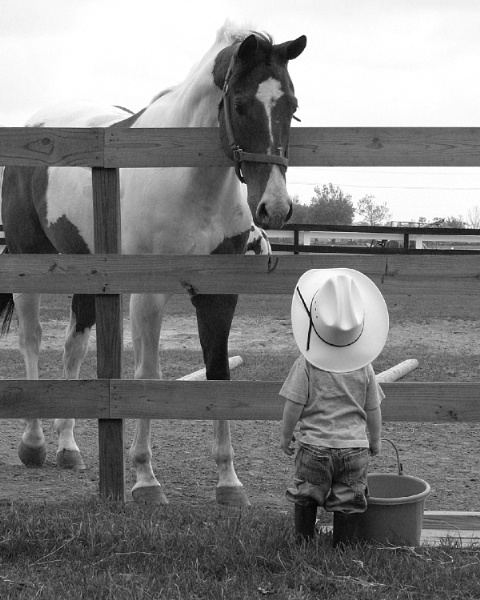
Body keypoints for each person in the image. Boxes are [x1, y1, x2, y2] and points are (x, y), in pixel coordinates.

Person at [280, 268, 389, 541]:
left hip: (314, 447)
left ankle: (304, 540)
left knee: (306, 496)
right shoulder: (364, 367)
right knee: (349, 500)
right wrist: (375, 441)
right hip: (354, 450)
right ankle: (343, 546)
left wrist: (286, 435)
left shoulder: (305, 364)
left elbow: (293, 404)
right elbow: (373, 408)